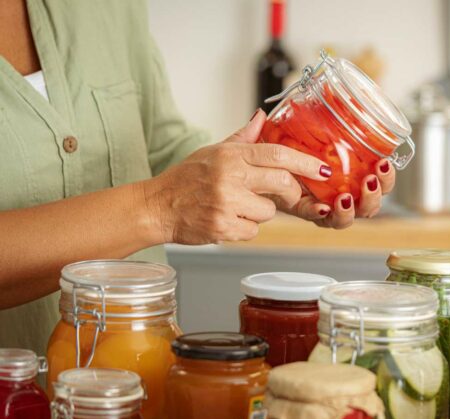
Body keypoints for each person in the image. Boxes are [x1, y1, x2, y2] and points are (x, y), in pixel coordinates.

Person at [0, 0, 396, 355]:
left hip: (145, 371)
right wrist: (161, 207)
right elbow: (163, 194)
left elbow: (155, 144)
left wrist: (263, 173)